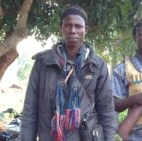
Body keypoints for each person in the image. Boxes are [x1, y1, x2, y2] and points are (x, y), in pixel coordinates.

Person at [20, 4, 117, 141]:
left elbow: (106, 110)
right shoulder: (43, 63)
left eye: (78, 26)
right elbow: (30, 109)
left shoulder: (97, 65)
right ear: (62, 28)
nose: (73, 30)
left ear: (86, 29)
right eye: (68, 25)